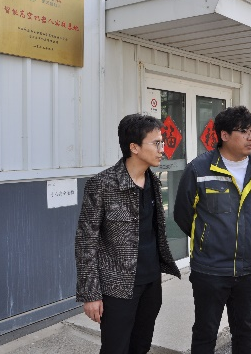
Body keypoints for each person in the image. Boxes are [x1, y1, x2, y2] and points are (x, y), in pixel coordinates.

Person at [75, 114, 181, 354]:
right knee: (115, 348)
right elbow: (85, 241)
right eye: (156, 143)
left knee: (141, 346)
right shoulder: (102, 184)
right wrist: (91, 294)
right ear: (134, 147)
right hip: (117, 287)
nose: (162, 149)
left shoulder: (154, 182)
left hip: (151, 283)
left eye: (162, 142)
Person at [173, 106, 251, 354]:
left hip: (249, 269)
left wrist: (248, 236)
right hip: (210, 269)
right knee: (205, 331)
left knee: (244, 329)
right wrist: (207, 239)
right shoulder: (199, 169)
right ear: (224, 135)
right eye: (244, 131)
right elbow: (183, 215)